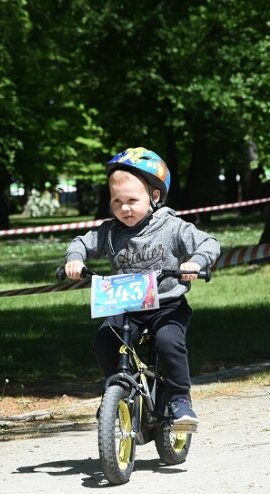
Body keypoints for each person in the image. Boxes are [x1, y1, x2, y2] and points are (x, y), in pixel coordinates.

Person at [64, 147, 220, 425]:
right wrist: (75, 259)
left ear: (154, 196)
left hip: (166, 305)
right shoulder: (110, 232)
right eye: (117, 201)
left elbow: (208, 243)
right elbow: (81, 242)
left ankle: (179, 399)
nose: (124, 208)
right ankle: (117, 391)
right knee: (104, 341)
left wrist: (195, 262)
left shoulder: (171, 227)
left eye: (132, 200)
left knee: (168, 342)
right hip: (126, 305)